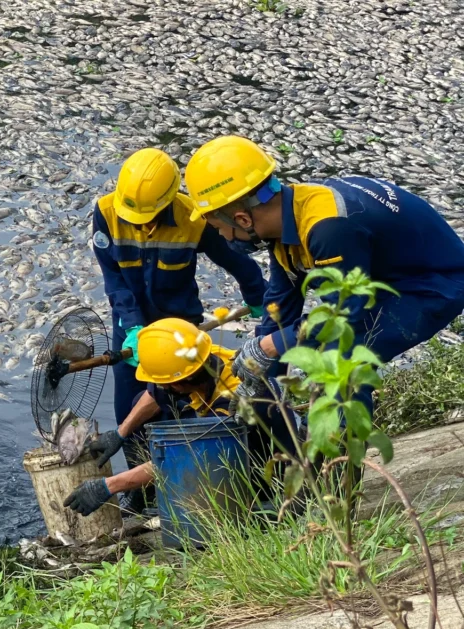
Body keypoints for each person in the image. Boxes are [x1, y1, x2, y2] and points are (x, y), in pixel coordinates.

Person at [183, 135, 464, 412]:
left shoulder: (328, 228)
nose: (222, 236)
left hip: (434, 285)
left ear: (243, 219)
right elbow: (280, 306)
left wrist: (270, 347)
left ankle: (342, 446)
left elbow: (341, 317)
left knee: (340, 356)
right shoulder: (285, 217)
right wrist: (260, 373)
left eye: (220, 229)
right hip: (382, 279)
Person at [92, 147, 267, 512]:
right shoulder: (106, 212)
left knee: (183, 415)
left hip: (179, 327)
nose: (140, 223)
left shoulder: (194, 218)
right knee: (129, 409)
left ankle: (185, 484)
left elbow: (239, 263)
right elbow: (114, 281)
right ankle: (141, 495)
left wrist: (261, 301)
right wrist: (134, 327)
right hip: (131, 328)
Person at [64, 318, 296, 517]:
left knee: (198, 460)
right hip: (223, 447)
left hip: (261, 479)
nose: (158, 387)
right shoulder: (202, 358)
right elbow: (153, 395)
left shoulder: (233, 399)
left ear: (177, 381)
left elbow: (188, 457)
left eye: (163, 382)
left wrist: (109, 486)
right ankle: (146, 494)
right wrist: (119, 434)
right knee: (141, 405)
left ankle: (249, 507)